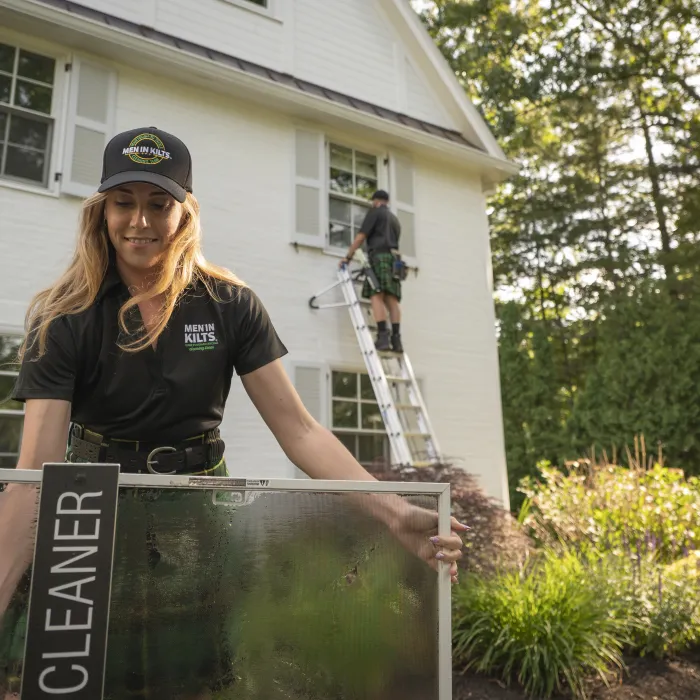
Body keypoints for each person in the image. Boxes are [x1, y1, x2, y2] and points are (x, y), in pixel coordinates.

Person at [0, 127, 466, 698]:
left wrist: (393, 512)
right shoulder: (63, 316)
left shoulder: (229, 303)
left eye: (158, 204)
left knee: (194, 683)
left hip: (198, 512)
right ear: (101, 211)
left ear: (184, 212)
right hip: (91, 511)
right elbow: (33, 477)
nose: (139, 222)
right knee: (87, 681)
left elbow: (300, 431)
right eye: (124, 203)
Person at [340, 189, 404, 352]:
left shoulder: (375, 213)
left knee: (377, 295)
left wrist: (348, 257)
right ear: (387, 201)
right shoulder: (395, 220)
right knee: (392, 300)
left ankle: (383, 337)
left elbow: (361, 237)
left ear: (375, 201)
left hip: (379, 256)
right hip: (395, 260)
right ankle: (396, 341)